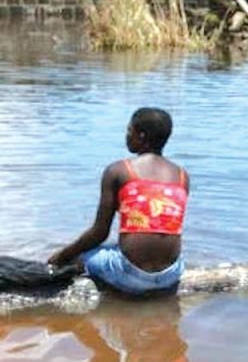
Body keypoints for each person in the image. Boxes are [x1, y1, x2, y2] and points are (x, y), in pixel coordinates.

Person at [48, 107, 189, 296]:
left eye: (129, 131)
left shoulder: (119, 171)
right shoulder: (181, 176)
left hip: (129, 274)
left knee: (78, 258)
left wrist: (60, 257)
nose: (126, 136)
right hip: (170, 275)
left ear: (141, 135)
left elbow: (99, 233)